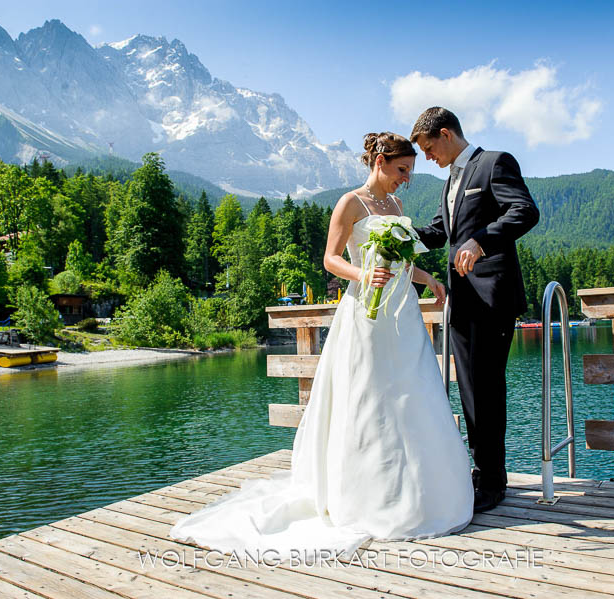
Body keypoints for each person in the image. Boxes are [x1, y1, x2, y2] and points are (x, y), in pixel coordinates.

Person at [170, 132, 473, 561]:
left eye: (410, 172)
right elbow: (331, 260)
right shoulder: (351, 203)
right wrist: (364, 275)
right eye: (402, 170)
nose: (406, 179)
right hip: (365, 315)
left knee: (411, 394)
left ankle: (422, 493)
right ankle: (364, 495)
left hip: (401, 312)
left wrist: (429, 281)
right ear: (381, 161)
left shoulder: (398, 207)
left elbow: (402, 261)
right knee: (369, 397)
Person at [410, 107, 540, 513]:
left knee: (486, 389)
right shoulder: (450, 179)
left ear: (446, 134)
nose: (428, 158)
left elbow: (524, 211)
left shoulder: (494, 163)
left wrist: (481, 241)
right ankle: (482, 474)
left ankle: (493, 481)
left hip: (492, 296)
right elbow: (439, 232)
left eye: (429, 148)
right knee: (470, 390)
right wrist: (393, 237)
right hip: (462, 302)